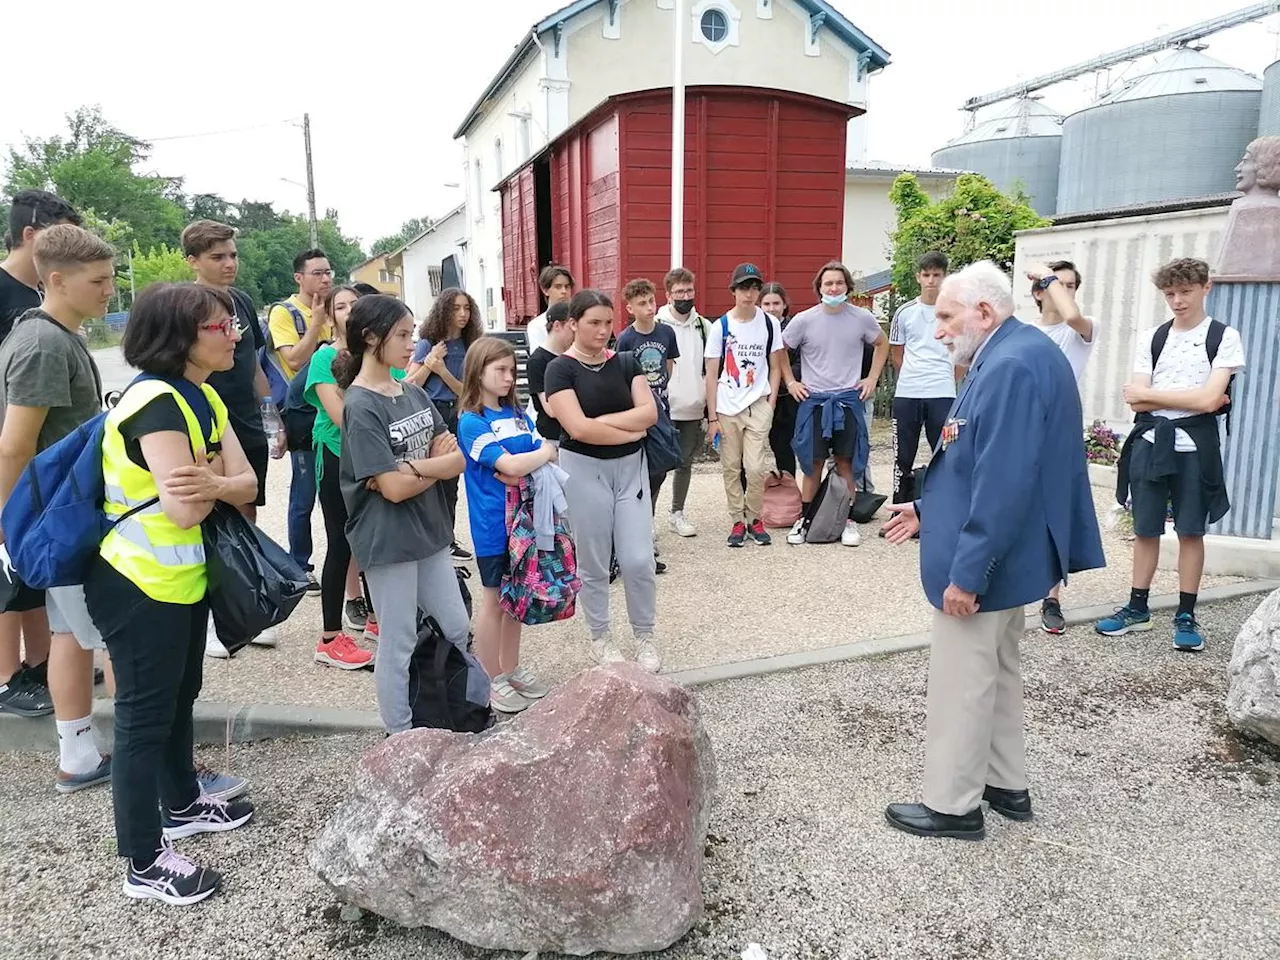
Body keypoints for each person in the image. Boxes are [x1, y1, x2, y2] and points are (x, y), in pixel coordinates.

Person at [882, 260, 1104, 841]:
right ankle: (1006, 783)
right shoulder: (1020, 351)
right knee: (1000, 673)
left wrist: (969, 573)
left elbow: (1003, 480)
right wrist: (929, 509)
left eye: (947, 316)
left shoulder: (1007, 366)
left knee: (963, 681)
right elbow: (980, 459)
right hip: (1015, 555)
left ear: (985, 312)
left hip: (989, 561)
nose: (939, 331)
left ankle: (953, 806)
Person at [85, 283, 259, 904]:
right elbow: (187, 509)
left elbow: (249, 484)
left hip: (179, 578)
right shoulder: (153, 402)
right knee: (141, 716)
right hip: (136, 582)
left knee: (182, 692)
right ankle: (142, 859)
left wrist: (210, 479)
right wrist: (218, 481)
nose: (235, 334)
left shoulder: (203, 395)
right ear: (182, 335)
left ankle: (182, 804)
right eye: (222, 326)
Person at [0, 224, 114, 792]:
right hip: (59, 516)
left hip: (61, 514)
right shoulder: (44, 343)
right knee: (114, 633)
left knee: (73, 634)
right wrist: (12, 530)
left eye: (112, 277)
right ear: (57, 280)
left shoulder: (52, 335)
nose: (110, 290)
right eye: (99, 280)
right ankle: (151, 755)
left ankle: (81, 754)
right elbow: (16, 444)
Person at [336, 295, 474, 735]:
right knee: (397, 642)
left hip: (429, 531)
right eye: (401, 334)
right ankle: (399, 736)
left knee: (456, 625)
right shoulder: (360, 406)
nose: (410, 342)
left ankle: (452, 708)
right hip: (389, 540)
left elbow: (456, 458)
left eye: (411, 333)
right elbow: (391, 490)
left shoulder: (412, 392)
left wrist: (412, 469)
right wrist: (426, 469)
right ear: (370, 338)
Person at [1098, 258, 1243, 652]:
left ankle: (1186, 613)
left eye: (1185, 292)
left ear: (1205, 287)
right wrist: (1196, 400)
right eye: (1170, 294)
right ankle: (1137, 605)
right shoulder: (1153, 338)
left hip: (1195, 447)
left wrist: (1156, 397)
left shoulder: (1223, 337)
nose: (1178, 301)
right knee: (1145, 527)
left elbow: (1210, 397)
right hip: (1150, 441)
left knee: (1191, 529)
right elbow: (1136, 398)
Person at [545, 290, 660, 671]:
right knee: (592, 560)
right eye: (594, 322)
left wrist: (599, 426)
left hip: (630, 470)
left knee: (638, 558)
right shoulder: (560, 368)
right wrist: (628, 432)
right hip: (583, 469)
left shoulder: (626, 361)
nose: (603, 330)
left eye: (608, 322)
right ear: (573, 323)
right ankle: (600, 636)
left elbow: (649, 413)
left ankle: (644, 635)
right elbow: (575, 428)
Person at [183, 219, 281, 658]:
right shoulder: (185, 304)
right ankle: (207, 617)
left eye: (232, 255)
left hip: (246, 418)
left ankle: (244, 605)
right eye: (217, 256)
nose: (229, 264)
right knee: (209, 513)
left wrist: (271, 411)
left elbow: (254, 363)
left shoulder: (241, 300)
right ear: (194, 261)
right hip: (205, 419)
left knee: (245, 509)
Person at [0, 190, 82, 719]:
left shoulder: (31, 297)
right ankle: (7, 676)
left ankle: (42, 661)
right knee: (6, 567)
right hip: (9, 449)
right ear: (31, 236)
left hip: (30, 456)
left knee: (31, 572)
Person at [457, 337, 558, 713]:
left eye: (510, 370)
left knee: (516, 599)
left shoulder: (517, 413)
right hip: (493, 526)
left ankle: (510, 667)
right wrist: (536, 457)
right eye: (498, 370)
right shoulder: (471, 421)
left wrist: (532, 460)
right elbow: (517, 464)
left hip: (525, 520)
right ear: (477, 372)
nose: (507, 377)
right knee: (493, 600)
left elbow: (542, 456)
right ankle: (490, 676)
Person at [784, 261, 889, 548]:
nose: (833, 288)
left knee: (847, 462)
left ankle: (847, 521)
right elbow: (780, 350)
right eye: (828, 283)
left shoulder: (862, 318)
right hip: (815, 401)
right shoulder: (804, 320)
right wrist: (791, 382)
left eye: (838, 283)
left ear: (847, 287)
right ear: (819, 288)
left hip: (846, 400)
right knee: (813, 463)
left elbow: (882, 344)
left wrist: (872, 378)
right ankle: (805, 520)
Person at [303, 285, 377, 671]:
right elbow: (342, 417)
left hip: (375, 457)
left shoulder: (374, 354)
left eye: (356, 304)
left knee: (375, 538)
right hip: (335, 455)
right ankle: (330, 638)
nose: (350, 311)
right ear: (331, 315)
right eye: (341, 306)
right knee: (341, 543)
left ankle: (378, 620)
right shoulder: (324, 359)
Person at [1027, 260, 1098, 634]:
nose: (1064, 291)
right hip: (1023, 426)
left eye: (1071, 285)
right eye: (1057, 285)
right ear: (1037, 293)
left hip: (1058, 429)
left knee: (1055, 512)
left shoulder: (1080, 331)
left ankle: (1051, 596)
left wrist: (1048, 274)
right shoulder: (1023, 333)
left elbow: (1072, 316)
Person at [704, 263, 787, 548]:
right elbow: (712, 373)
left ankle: (754, 518)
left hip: (758, 403)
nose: (749, 294)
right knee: (730, 466)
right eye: (743, 288)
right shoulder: (721, 327)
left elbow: (776, 365)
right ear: (733, 291)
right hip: (728, 406)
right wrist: (712, 416)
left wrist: (771, 400)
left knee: (755, 468)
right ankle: (737, 520)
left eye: (754, 288)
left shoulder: (769, 323)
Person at [267, 248, 335, 593]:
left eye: (328, 272)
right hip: (303, 414)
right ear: (299, 278)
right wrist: (318, 323)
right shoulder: (286, 312)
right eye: (317, 273)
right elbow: (293, 361)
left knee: (335, 489)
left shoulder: (338, 305)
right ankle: (299, 564)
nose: (325, 279)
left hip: (333, 409)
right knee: (304, 492)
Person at [408, 287, 483, 564]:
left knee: (452, 479)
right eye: (456, 308)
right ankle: (430, 538)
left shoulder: (471, 345)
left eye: (466, 308)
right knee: (430, 477)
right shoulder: (428, 342)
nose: (462, 314)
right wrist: (430, 364)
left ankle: (447, 539)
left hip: (459, 412)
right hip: (432, 413)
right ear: (444, 311)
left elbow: (468, 392)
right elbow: (411, 382)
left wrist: (442, 371)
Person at [616, 277, 680, 567]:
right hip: (639, 410)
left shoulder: (667, 333)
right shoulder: (626, 339)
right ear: (630, 308)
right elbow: (622, 375)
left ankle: (648, 520)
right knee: (637, 471)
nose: (649, 307)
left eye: (651, 301)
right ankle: (637, 531)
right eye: (642, 303)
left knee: (659, 467)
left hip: (662, 409)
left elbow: (668, 366)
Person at [888, 252, 955, 506]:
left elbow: (960, 356)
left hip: (943, 394)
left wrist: (945, 378)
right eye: (926, 275)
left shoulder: (955, 311)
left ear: (944, 277)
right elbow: (897, 354)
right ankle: (898, 508)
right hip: (908, 393)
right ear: (918, 277)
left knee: (946, 454)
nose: (931, 281)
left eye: (936, 275)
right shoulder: (905, 312)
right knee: (902, 456)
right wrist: (914, 375)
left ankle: (943, 508)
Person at [656, 267, 709, 537]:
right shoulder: (658, 325)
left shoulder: (703, 326)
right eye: (679, 292)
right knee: (655, 467)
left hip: (693, 404)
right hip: (662, 408)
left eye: (689, 290)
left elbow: (711, 368)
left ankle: (677, 512)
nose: (685, 296)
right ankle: (647, 519)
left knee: (685, 463)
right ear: (668, 295)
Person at [761, 282, 799, 477]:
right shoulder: (755, 328)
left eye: (776, 303)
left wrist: (782, 378)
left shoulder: (793, 328)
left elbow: (801, 364)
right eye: (766, 304)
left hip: (786, 398)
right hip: (758, 396)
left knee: (783, 447)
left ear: (784, 305)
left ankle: (788, 490)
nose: (771, 308)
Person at [526, 301, 572, 446]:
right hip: (553, 437)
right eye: (572, 328)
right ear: (557, 326)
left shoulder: (573, 355)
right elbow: (551, 409)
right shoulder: (537, 361)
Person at [523, 265, 575, 356]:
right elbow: (540, 358)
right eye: (558, 287)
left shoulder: (580, 319)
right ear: (545, 290)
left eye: (567, 287)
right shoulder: (536, 325)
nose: (564, 291)